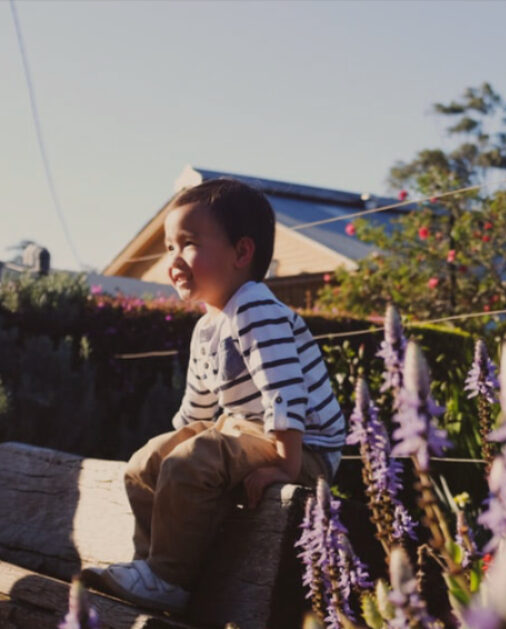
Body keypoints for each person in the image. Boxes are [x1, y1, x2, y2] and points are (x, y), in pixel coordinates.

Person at [87, 178, 346, 613]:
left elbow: (285, 391)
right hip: (247, 432)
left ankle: (170, 577)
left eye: (188, 244)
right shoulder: (208, 326)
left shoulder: (255, 307)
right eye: (169, 247)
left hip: (304, 446)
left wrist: (287, 463)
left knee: (193, 460)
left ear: (241, 253)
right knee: (146, 462)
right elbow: (198, 412)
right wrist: (168, 448)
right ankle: (150, 566)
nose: (173, 260)